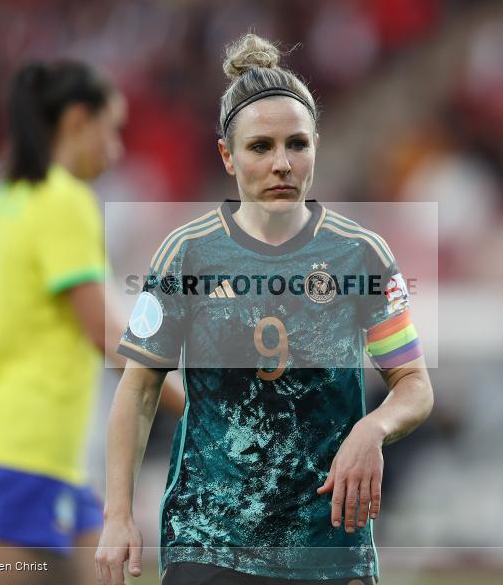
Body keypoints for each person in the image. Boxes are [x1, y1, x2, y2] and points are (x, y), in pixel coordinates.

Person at [95, 34, 433, 585]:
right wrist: (117, 517)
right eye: (260, 147)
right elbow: (138, 391)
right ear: (228, 156)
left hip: (328, 548)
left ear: (316, 147)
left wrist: (374, 428)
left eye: (297, 145)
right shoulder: (188, 255)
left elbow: (414, 385)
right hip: (209, 545)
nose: (282, 163)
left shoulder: (361, 254)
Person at [0, 60, 184, 585]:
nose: (116, 149)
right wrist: (200, 405)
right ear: (78, 120)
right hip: (30, 456)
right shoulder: (66, 204)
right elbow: (109, 337)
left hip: (13, 453)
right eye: (112, 129)